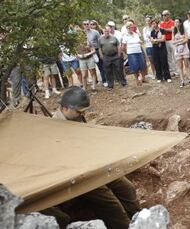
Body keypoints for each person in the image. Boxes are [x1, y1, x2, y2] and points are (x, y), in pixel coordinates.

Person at [42, 86, 141, 229]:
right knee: (109, 202)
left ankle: (139, 219)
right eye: (79, 111)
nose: (82, 114)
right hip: (77, 175)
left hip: (92, 164)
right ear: (64, 108)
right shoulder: (53, 128)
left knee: (127, 188)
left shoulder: (76, 117)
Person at [99, 26, 125, 90]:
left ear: (109, 31)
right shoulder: (100, 39)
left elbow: (118, 45)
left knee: (119, 69)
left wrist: (119, 54)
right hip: (106, 57)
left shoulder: (113, 37)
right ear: (103, 32)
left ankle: (123, 82)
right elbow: (99, 48)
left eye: (107, 31)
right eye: (105, 31)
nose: (106, 32)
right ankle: (110, 85)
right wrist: (101, 55)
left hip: (115, 56)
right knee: (108, 71)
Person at [122, 22, 146, 86]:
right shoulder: (125, 36)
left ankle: (143, 78)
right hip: (131, 53)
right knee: (135, 67)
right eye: (130, 27)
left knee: (142, 65)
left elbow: (139, 41)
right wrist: (127, 53)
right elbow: (123, 47)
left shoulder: (135, 34)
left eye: (132, 26)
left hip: (139, 51)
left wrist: (140, 42)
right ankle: (137, 80)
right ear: (127, 28)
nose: (131, 28)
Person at [173, 18, 190, 88]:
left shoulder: (184, 30)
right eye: (175, 22)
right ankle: (182, 81)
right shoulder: (173, 30)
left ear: (180, 23)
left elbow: (187, 39)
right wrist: (181, 41)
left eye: (177, 22)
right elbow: (173, 41)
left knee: (186, 64)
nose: (176, 24)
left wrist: (178, 42)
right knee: (180, 66)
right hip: (177, 50)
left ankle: (189, 79)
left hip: (185, 49)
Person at [84, 20, 106, 87]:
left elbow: (100, 42)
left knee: (100, 66)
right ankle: (95, 82)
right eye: (85, 24)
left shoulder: (95, 32)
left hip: (96, 50)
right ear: (83, 25)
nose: (87, 25)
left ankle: (104, 80)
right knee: (91, 68)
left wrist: (101, 51)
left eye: (88, 24)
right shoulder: (82, 33)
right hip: (87, 52)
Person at [107, 21, 128, 86]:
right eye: (109, 26)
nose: (110, 28)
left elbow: (122, 42)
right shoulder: (106, 34)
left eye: (111, 27)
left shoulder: (118, 33)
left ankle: (123, 80)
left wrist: (123, 52)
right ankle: (116, 79)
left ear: (114, 27)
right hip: (110, 53)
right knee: (113, 67)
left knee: (120, 67)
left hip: (119, 52)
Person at [160, 10, 179, 76]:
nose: (164, 16)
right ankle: (171, 71)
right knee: (168, 57)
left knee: (175, 55)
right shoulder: (162, 23)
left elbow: (173, 30)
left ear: (169, 15)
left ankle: (177, 70)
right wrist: (168, 30)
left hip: (172, 40)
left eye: (165, 15)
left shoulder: (173, 22)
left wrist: (165, 30)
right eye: (163, 15)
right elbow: (162, 31)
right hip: (165, 41)